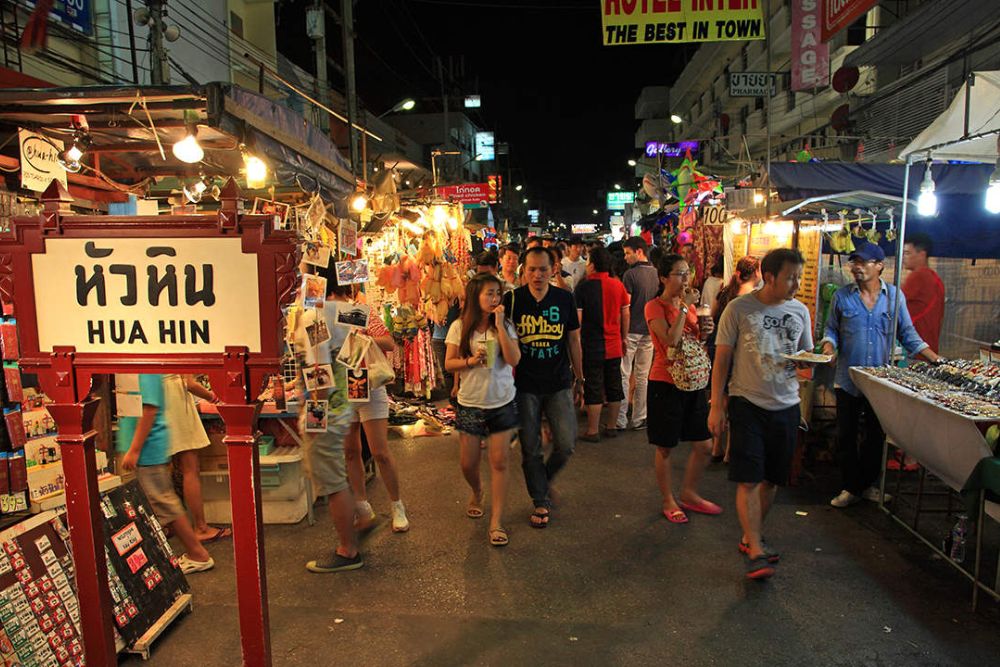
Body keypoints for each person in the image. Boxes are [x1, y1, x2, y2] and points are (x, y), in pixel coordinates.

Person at [708, 248, 813, 580]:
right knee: (749, 478)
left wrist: (817, 359)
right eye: (791, 277)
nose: (796, 283)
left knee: (771, 480)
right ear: (769, 276)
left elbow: (805, 355)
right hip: (746, 402)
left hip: (786, 404)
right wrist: (716, 406)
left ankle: (749, 535)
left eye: (799, 276)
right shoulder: (739, 309)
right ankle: (755, 548)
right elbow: (722, 359)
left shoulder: (800, 311)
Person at [821, 243, 940, 509]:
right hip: (848, 378)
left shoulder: (894, 297)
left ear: (879, 265)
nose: (857, 267)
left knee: (876, 436)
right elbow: (831, 330)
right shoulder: (842, 297)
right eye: (854, 263)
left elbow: (908, 334)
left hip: (879, 380)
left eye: (863, 262)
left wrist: (935, 359)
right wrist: (829, 348)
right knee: (847, 435)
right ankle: (851, 487)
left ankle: (868, 485)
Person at [503, 247, 584, 528]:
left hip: (559, 381)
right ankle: (540, 500)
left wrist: (580, 378)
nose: (537, 275)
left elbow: (573, 340)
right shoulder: (512, 300)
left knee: (566, 444)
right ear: (523, 270)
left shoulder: (564, 298)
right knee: (531, 448)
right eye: (532, 269)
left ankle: (542, 481)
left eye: (543, 269)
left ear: (554, 269)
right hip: (523, 384)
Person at [323, 279, 409, 534]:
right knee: (351, 450)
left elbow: (389, 342)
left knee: (380, 451)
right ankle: (362, 505)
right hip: (341, 388)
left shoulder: (358, 312)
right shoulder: (320, 318)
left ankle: (397, 505)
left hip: (368, 383)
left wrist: (363, 338)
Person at [295, 271, 366, 573]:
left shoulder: (314, 316)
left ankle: (348, 550)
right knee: (338, 475)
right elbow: (355, 358)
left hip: (323, 410)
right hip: (343, 405)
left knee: (334, 481)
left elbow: (319, 370)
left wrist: (312, 414)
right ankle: (356, 531)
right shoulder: (352, 311)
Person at [445, 274, 521, 547]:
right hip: (470, 402)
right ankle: (477, 490)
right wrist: (470, 361)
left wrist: (500, 326)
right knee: (468, 463)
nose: (495, 299)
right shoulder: (459, 327)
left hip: (502, 401)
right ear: (476, 296)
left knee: (499, 462)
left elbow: (514, 359)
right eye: (489, 293)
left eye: (497, 294)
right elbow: (449, 364)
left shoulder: (505, 325)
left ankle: (496, 522)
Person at [646, 254, 721, 525]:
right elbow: (671, 341)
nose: (685, 279)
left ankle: (689, 493)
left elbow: (695, 340)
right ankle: (668, 499)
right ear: (664, 278)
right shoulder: (654, 306)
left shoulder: (689, 307)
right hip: (664, 382)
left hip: (693, 382)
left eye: (687, 273)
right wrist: (683, 308)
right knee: (665, 446)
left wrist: (705, 329)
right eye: (678, 273)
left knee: (704, 444)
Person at [118, 374, 215, 574]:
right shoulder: (137, 365)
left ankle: (198, 554)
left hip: (148, 447)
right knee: (159, 502)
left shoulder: (147, 367)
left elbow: (150, 408)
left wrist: (135, 449)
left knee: (164, 502)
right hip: (143, 446)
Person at [164, 374, 231, 543]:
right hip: (175, 401)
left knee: (165, 467)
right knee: (190, 467)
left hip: (156, 401)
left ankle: (169, 524)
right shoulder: (180, 347)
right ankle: (200, 527)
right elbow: (189, 383)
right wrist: (215, 398)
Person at [574, 247, 630, 442]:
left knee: (594, 387)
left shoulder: (582, 287)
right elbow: (625, 313)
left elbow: (578, 321)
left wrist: (576, 343)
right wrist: (623, 337)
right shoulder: (618, 285)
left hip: (591, 346)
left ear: (593, 264)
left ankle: (592, 430)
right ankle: (612, 426)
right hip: (614, 344)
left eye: (588, 261)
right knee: (614, 385)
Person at [710, 255, 761, 462]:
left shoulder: (724, 293)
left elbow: (712, 317)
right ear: (756, 273)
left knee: (721, 400)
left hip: (719, 349)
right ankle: (730, 451)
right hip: (738, 353)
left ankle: (715, 447)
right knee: (735, 403)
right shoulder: (753, 299)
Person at [616, 237, 659, 431]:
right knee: (643, 376)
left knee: (624, 374)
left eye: (627, 253)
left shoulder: (630, 275)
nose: (625, 257)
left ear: (639, 251)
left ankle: (620, 418)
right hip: (649, 330)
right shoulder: (657, 274)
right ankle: (639, 418)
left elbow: (626, 307)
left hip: (631, 330)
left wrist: (621, 333)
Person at [901, 233, 945, 354]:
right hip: (929, 348)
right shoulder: (936, 278)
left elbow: (894, 306)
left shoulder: (918, 276)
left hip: (913, 348)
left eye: (907, 253)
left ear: (922, 254)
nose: (903, 257)